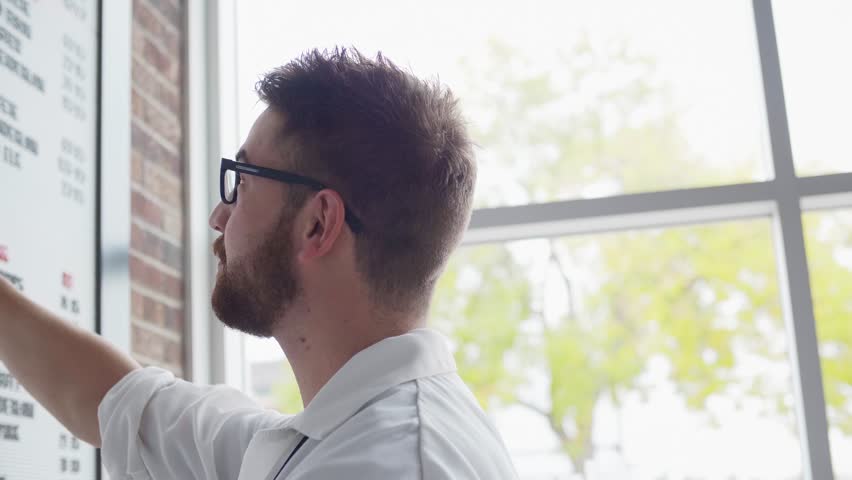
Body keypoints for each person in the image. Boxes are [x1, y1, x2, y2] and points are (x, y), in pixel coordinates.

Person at [0, 48, 519, 479]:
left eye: (242, 181)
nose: (218, 215)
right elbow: (124, 406)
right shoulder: (342, 433)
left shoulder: (389, 463)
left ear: (317, 224)